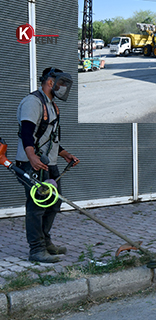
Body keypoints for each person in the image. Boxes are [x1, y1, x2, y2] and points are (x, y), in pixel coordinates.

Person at [16, 67, 79, 263]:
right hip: (32, 163)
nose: (62, 87)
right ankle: (36, 249)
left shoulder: (51, 105)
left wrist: (64, 153)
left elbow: (50, 138)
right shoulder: (33, 102)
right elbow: (27, 132)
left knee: (54, 203)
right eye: (60, 83)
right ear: (50, 82)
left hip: (48, 163)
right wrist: (32, 157)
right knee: (37, 206)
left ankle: (45, 241)